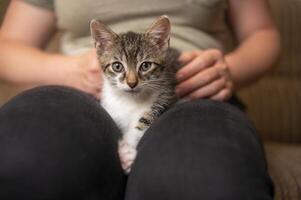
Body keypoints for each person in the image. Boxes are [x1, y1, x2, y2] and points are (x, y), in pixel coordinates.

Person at [0, 0, 280, 199]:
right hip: (80, 85)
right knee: (23, 157)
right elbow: (6, 46)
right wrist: (67, 70)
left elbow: (262, 32)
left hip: (190, 88)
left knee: (206, 178)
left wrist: (230, 68)